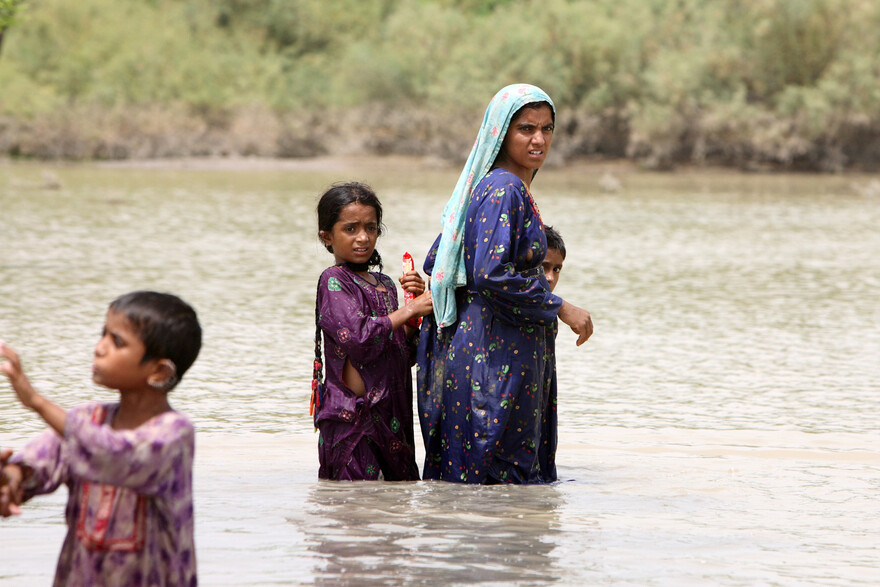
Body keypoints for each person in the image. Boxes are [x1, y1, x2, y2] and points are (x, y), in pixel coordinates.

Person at [417, 83, 593, 484]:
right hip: (492, 358)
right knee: (496, 478)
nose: (538, 139)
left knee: (490, 484)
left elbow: (442, 256)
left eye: (547, 129)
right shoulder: (504, 188)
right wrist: (560, 308)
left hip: (497, 350)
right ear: (500, 133)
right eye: (526, 129)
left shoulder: (505, 187)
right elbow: (490, 273)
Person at [0, 290, 202, 586]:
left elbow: (113, 454)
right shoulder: (87, 419)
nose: (99, 348)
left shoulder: (174, 434)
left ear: (159, 372)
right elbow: (45, 458)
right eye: (103, 334)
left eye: (117, 341)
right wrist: (12, 479)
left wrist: (36, 401)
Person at [312, 181, 433, 481]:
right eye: (350, 229)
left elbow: (402, 353)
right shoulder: (333, 280)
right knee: (356, 515)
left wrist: (415, 310)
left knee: (393, 516)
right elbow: (358, 339)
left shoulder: (387, 285)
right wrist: (407, 311)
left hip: (393, 422)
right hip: (354, 423)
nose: (363, 238)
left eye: (371, 228)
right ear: (326, 236)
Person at [538, 225, 566, 482]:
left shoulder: (549, 312)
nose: (550, 277)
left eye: (556, 269)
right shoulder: (525, 308)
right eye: (544, 267)